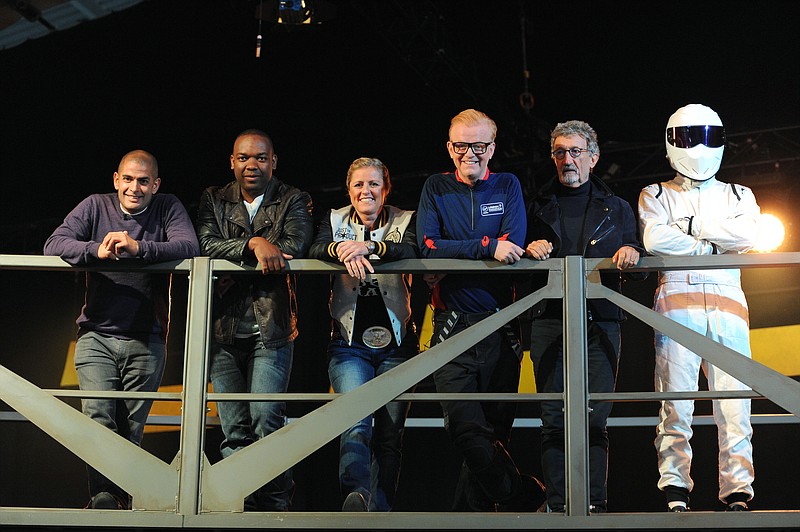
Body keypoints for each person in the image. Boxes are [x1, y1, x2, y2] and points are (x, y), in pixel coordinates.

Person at [43, 149, 200, 510]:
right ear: (116, 180)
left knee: (131, 429)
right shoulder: (96, 205)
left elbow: (189, 245)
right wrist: (95, 250)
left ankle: (118, 500)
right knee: (98, 418)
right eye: (128, 179)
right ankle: (104, 498)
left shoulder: (167, 207)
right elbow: (55, 243)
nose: (135, 187)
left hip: (147, 338)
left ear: (155, 185)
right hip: (96, 334)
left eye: (143, 181)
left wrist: (138, 247)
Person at [416, 108, 545, 512]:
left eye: (478, 145)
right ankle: (522, 496)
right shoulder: (435, 187)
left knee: (494, 435)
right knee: (466, 432)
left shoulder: (507, 185)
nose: (468, 153)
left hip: (502, 328)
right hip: (449, 326)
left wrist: (468, 251)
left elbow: (516, 242)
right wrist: (487, 247)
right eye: (460, 145)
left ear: (492, 147)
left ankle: (470, 522)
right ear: (448, 147)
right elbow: (429, 247)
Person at [638, 103, 759, 512]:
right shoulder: (655, 193)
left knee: (735, 402)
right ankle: (676, 489)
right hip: (677, 296)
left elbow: (749, 233)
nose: (700, 147)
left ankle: (738, 490)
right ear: (674, 142)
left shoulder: (739, 194)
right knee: (676, 400)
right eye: (691, 138)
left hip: (727, 297)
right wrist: (713, 245)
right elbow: (656, 240)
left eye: (708, 137)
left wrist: (690, 228)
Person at [524, 120, 644, 513]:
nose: (567, 159)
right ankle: (559, 506)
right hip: (549, 320)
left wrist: (631, 250)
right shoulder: (535, 205)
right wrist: (529, 245)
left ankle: (593, 505)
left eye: (575, 151)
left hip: (602, 319)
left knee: (596, 417)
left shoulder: (619, 207)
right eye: (559, 151)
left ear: (593, 158)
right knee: (553, 417)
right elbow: (515, 247)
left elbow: (639, 257)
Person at [195, 128, 313, 511]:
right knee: (233, 430)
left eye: (260, 158)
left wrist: (248, 255)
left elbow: (294, 246)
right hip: (221, 330)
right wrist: (252, 243)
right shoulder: (213, 198)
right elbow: (204, 244)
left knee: (267, 422)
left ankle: (273, 509)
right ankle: (236, 507)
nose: (251, 165)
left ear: (273, 162)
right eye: (244, 158)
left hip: (272, 330)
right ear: (232, 161)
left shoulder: (294, 198)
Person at [309, 157, 419, 512]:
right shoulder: (333, 219)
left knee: (389, 436)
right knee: (355, 421)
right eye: (358, 185)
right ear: (349, 191)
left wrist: (371, 248)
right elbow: (312, 248)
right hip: (348, 344)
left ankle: (381, 509)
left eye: (373, 184)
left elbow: (412, 248)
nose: (365, 191)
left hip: (398, 346)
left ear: (385, 189)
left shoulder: (406, 219)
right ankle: (355, 497)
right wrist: (339, 249)